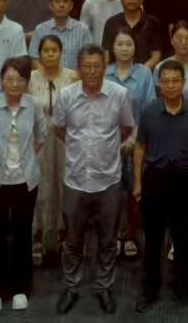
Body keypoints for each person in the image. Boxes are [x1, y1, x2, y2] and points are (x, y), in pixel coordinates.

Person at [53, 46, 135, 316]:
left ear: (104, 66)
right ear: (79, 68)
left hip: (108, 179)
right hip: (76, 178)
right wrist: (80, 149)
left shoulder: (119, 95)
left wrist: (104, 149)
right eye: (86, 66)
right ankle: (72, 287)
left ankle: (104, 287)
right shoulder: (66, 95)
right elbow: (59, 129)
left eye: (96, 66)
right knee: (72, 240)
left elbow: (126, 128)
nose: (91, 71)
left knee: (108, 240)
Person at [132, 58, 188, 313]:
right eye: (166, 81)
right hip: (154, 180)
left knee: (181, 238)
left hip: (184, 180)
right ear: (159, 84)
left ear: (183, 83)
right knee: (153, 240)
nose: (171, 85)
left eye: (176, 80)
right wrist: (137, 183)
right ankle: (150, 290)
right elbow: (139, 148)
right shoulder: (149, 111)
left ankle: (183, 290)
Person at [0, 57, 47, 313]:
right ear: (1, 80)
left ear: (26, 82)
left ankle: (20, 289)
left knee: (22, 235)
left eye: (20, 79)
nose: (14, 83)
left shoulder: (33, 105)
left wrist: (26, 160)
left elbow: (41, 137)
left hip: (25, 181)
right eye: (9, 79)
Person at [29, 32, 80, 267]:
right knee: (40, 186)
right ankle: (37, 236)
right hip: (38, 140)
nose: (50, 54)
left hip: (64, 139)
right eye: (46, 50)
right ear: (39, 54)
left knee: (63, 185)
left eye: (54, 50)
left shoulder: (72, 77)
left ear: (61, 53)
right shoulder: (31, 78)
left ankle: (61, 236)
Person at [106, 31, 156, 263]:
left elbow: (149, 108)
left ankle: (131, 236)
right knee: (112, 193)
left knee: (135, 190)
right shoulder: (105, 73)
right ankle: (113, 236)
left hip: (138, 141)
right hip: (108, 142)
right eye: (120, 44)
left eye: (129, 44)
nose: (124, 48)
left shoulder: (144, 73)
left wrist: (134, 138)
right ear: (112, 47)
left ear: (135, 48)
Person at [100, 0, 166, 67]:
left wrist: (141, 71)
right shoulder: (111, 23)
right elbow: (106, 55)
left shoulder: (153, 23)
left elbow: (156, 55)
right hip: (117, 72)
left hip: (145, 71)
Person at [29, 0, 93, 72]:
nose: (61, 5)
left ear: (71, 6)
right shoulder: (40, 30)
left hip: (75, 78)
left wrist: (76, 76)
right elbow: (34, 59)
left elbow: (89, 58)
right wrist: (47, 76)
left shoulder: (83, 30)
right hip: (47, 78)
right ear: (51, 5)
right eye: (57, 1)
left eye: (65, 1)